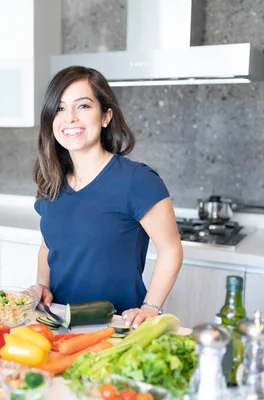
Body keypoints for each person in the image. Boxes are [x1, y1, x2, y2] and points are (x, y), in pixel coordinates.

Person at [28, 65, 183, 329]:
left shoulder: (137, 181)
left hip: (117, 326)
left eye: (83, 106)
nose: (71, 118)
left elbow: (170, 249)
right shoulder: (51, 180)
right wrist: (42, 286)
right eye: (60, 108)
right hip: (58, 322)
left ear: (105, 116)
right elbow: (48, 245)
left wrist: (151, 307)